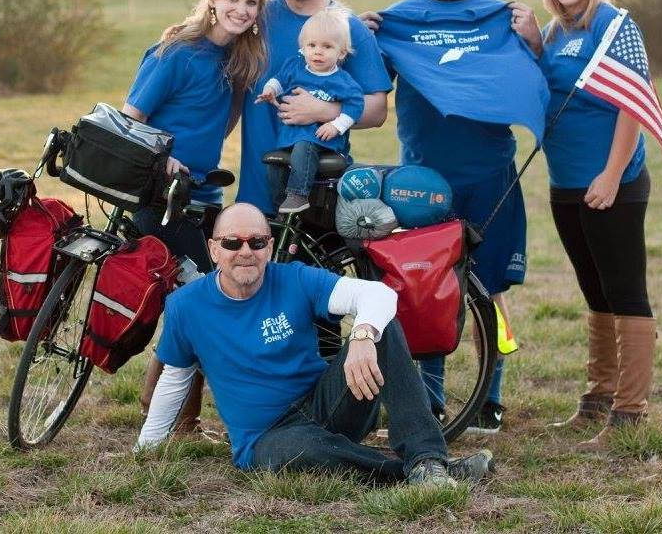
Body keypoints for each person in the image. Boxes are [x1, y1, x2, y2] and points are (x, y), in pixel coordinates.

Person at [136, 202, 494, 485]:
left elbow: (379, 294)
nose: (246, 251)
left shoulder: (294, 278)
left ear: (270, 247)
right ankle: (415, 474)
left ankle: (428, 459)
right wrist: (146, 447)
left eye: (257, 242)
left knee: (382, 326)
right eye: (233, 243)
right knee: (295, 453)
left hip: (329, 404)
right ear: (214, 250)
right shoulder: (186, 306)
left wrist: (363, 336)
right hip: (268, 437)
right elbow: (175, 377)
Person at [361, 0, 543, 434]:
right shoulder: (397, 19)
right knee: (424, 289)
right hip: (423, 180)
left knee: (491, 290)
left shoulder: (499, 17)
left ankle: (490, 399)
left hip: (491, 176)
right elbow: (369, 89)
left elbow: (540, 76)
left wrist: (532, 42)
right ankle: (433, 398)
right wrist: (364, 39)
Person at [122, 0, 272, 434]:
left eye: (251, 3)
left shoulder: (238, 61)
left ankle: (173, 412)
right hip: (159, 197)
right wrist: (164, 154)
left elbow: (223, 119)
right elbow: (132, 118)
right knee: (210, 297)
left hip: (202, 194)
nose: (242, 10)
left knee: (202, 298)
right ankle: (171, 415)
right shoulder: (176, 52)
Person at [521, 0, 655, 451]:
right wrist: (533, 45)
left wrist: (612, 173)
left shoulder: (614, 26)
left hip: (611, 184)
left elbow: (632, 105)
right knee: (594, 293)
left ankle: (629, 413)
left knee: (625, 291)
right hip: (566, 185)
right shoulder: (554, 32)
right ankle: (598, 398)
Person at [236, 0, 392, 216]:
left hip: (318, 185)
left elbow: (378, 110)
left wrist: (323, 110)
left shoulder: (349, 28)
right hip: (257, 185)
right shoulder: (256, 18)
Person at [256, 7, 365, 213]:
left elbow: (356, 105)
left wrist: (336, 125)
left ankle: (298, 195)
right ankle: (281, 206)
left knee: (305, 147)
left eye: (327, 46)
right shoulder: (295, 67)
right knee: (274, 163)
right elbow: (279, 79)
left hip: (321, 139)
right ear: (302, 49)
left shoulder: (342, 81)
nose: (318, 51)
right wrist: (270, 90)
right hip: (290, 137)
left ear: (341, 53)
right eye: (311, 45)